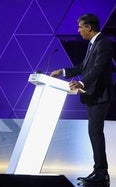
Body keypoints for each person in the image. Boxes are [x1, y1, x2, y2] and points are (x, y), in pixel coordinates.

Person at [50, 14, 113, 185]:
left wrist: (81, 82)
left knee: (95, 132)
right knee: (94, 132)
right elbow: (82, 68)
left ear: (89, 27)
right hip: (91, 95)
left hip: (100, 96)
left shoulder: (103, 44)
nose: (78, 31)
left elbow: (98, 69)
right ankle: (99, 170)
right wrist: (62, 71)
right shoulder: (92, 45)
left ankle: (101, 172)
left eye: (80, 27)